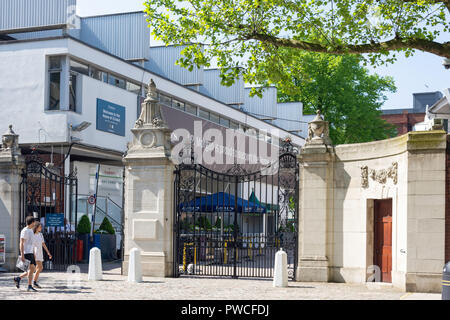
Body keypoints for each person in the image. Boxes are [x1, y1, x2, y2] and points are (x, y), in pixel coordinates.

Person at [13, 216, 37, 292]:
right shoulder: (24, 231)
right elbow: (21, 243)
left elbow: (32, 243)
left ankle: (18, 278)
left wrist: (34, 253)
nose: (35, 223)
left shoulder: (31, 230)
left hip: (30, 252)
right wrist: (22, 254)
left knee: (32, 269)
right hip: (26, 252)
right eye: (34, 222)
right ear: (32, 222)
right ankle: (29, 286)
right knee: (31, 269)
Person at [31, 221, 52, 288]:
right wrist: (33, 253)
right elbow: (32, 245)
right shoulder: (33, 235)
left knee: (36, 268)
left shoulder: (40, 234)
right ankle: (34, 282)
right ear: (36, 227)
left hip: (40, 252)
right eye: (40, 227)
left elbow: (43, 244)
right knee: (40, 267)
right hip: (35, 252)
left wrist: (48, 252)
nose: (41, 228)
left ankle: (33, 281)